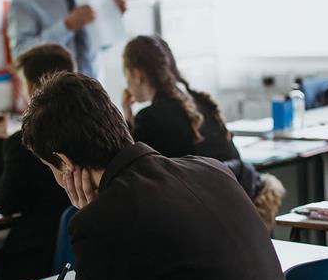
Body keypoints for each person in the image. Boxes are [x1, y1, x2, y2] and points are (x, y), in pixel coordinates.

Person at [24, 72, 302, 280]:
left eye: (51, 168)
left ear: (66, 164)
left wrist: (94, 213)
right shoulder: (212, 169)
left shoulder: (103, 218)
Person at [122, 35, 285, 231]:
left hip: (204, 217)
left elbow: (132, 175)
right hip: (242, 203)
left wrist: (127, 122)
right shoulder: (203, 103)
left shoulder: (150, 118)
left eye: (127, 76)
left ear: (137, 74)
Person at [0, 44, 72, 280]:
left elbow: (4, 203)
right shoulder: (88, 132)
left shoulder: (24, 141)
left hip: (34, 258)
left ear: (34, 89)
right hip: (76, 251)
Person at [7, 0, 126, 78]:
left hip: (94, 87)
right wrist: (66, 26)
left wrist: (112, 18)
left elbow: (97, 47)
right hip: (54, 93)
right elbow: (20, 55)